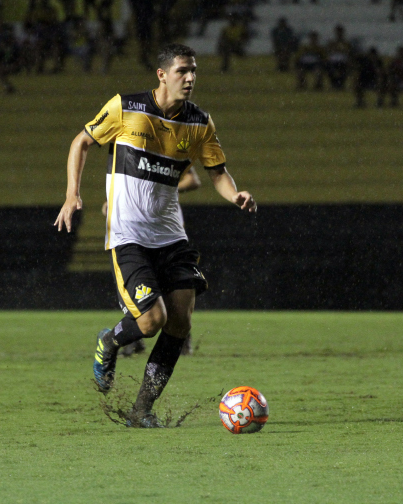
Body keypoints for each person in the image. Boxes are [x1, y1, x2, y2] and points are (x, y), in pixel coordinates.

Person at [54, 43, 257, 428]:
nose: (191, 78)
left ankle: (140, 411)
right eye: (183, 71)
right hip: (128, 235)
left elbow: (217, 173)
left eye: (194, 70)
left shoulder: (199, 122)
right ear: (162, 74)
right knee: (151, 322)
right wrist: (72, 194)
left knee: (180, 322)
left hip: (170, 237)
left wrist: (236, 194)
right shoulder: (125, 108)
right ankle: (110, 341)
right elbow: (81, 142)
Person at [111, 166, 202, 358]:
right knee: (145, 294)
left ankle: (180, 339)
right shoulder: (132, 154)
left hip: (168, 238)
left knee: (173, 294)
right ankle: (131, 340)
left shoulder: (171, 149)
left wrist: (165, 187)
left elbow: (194, 180)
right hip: (138, 239)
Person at [325, 24, 352, 90]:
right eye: (338, 32)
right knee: (330, 69)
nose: (339, 34)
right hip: (333, 61)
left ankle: (341, 83)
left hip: (343, 61)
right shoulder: (331, 43)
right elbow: (328, 52)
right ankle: (334, 83)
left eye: (340, 32)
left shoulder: (346, 43)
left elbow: (348, 52)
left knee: (344, 69)